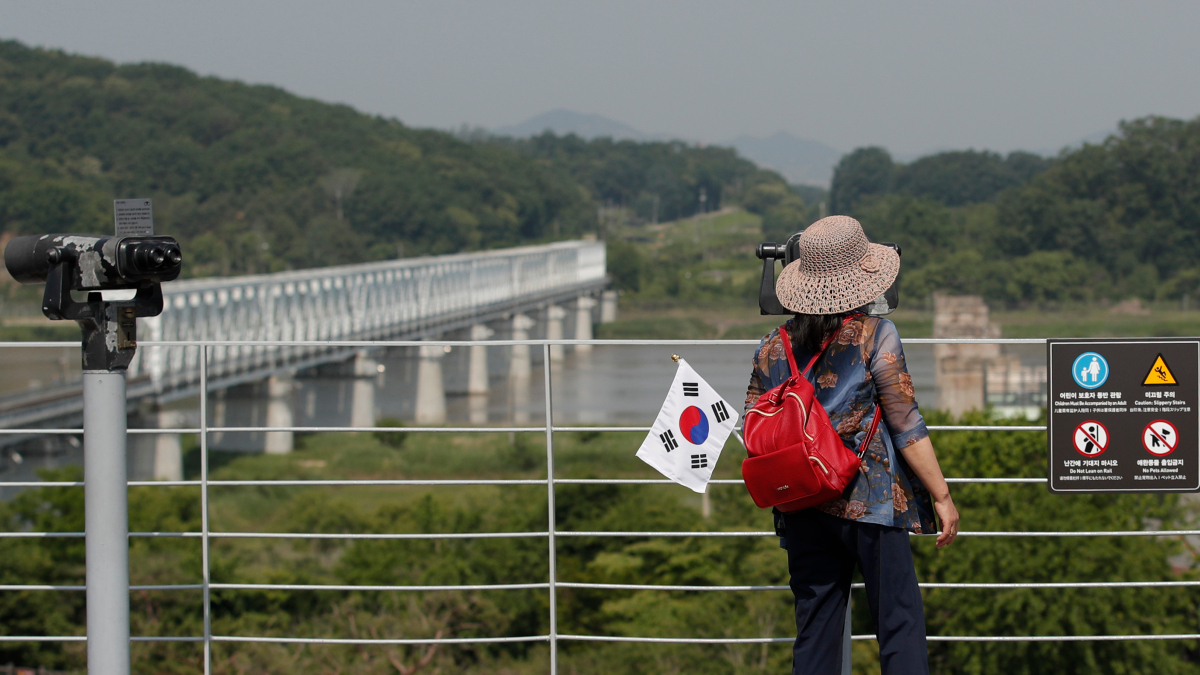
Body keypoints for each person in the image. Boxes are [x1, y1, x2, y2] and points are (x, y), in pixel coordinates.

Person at [744, 215, 959, 675]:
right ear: (863, 276)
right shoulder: (875, 335)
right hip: (871, 501)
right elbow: (906, 423)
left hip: (802, 501)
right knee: (898, 620)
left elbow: (754, 428)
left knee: (816, 627)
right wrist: (941, 495)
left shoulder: (770, 348)